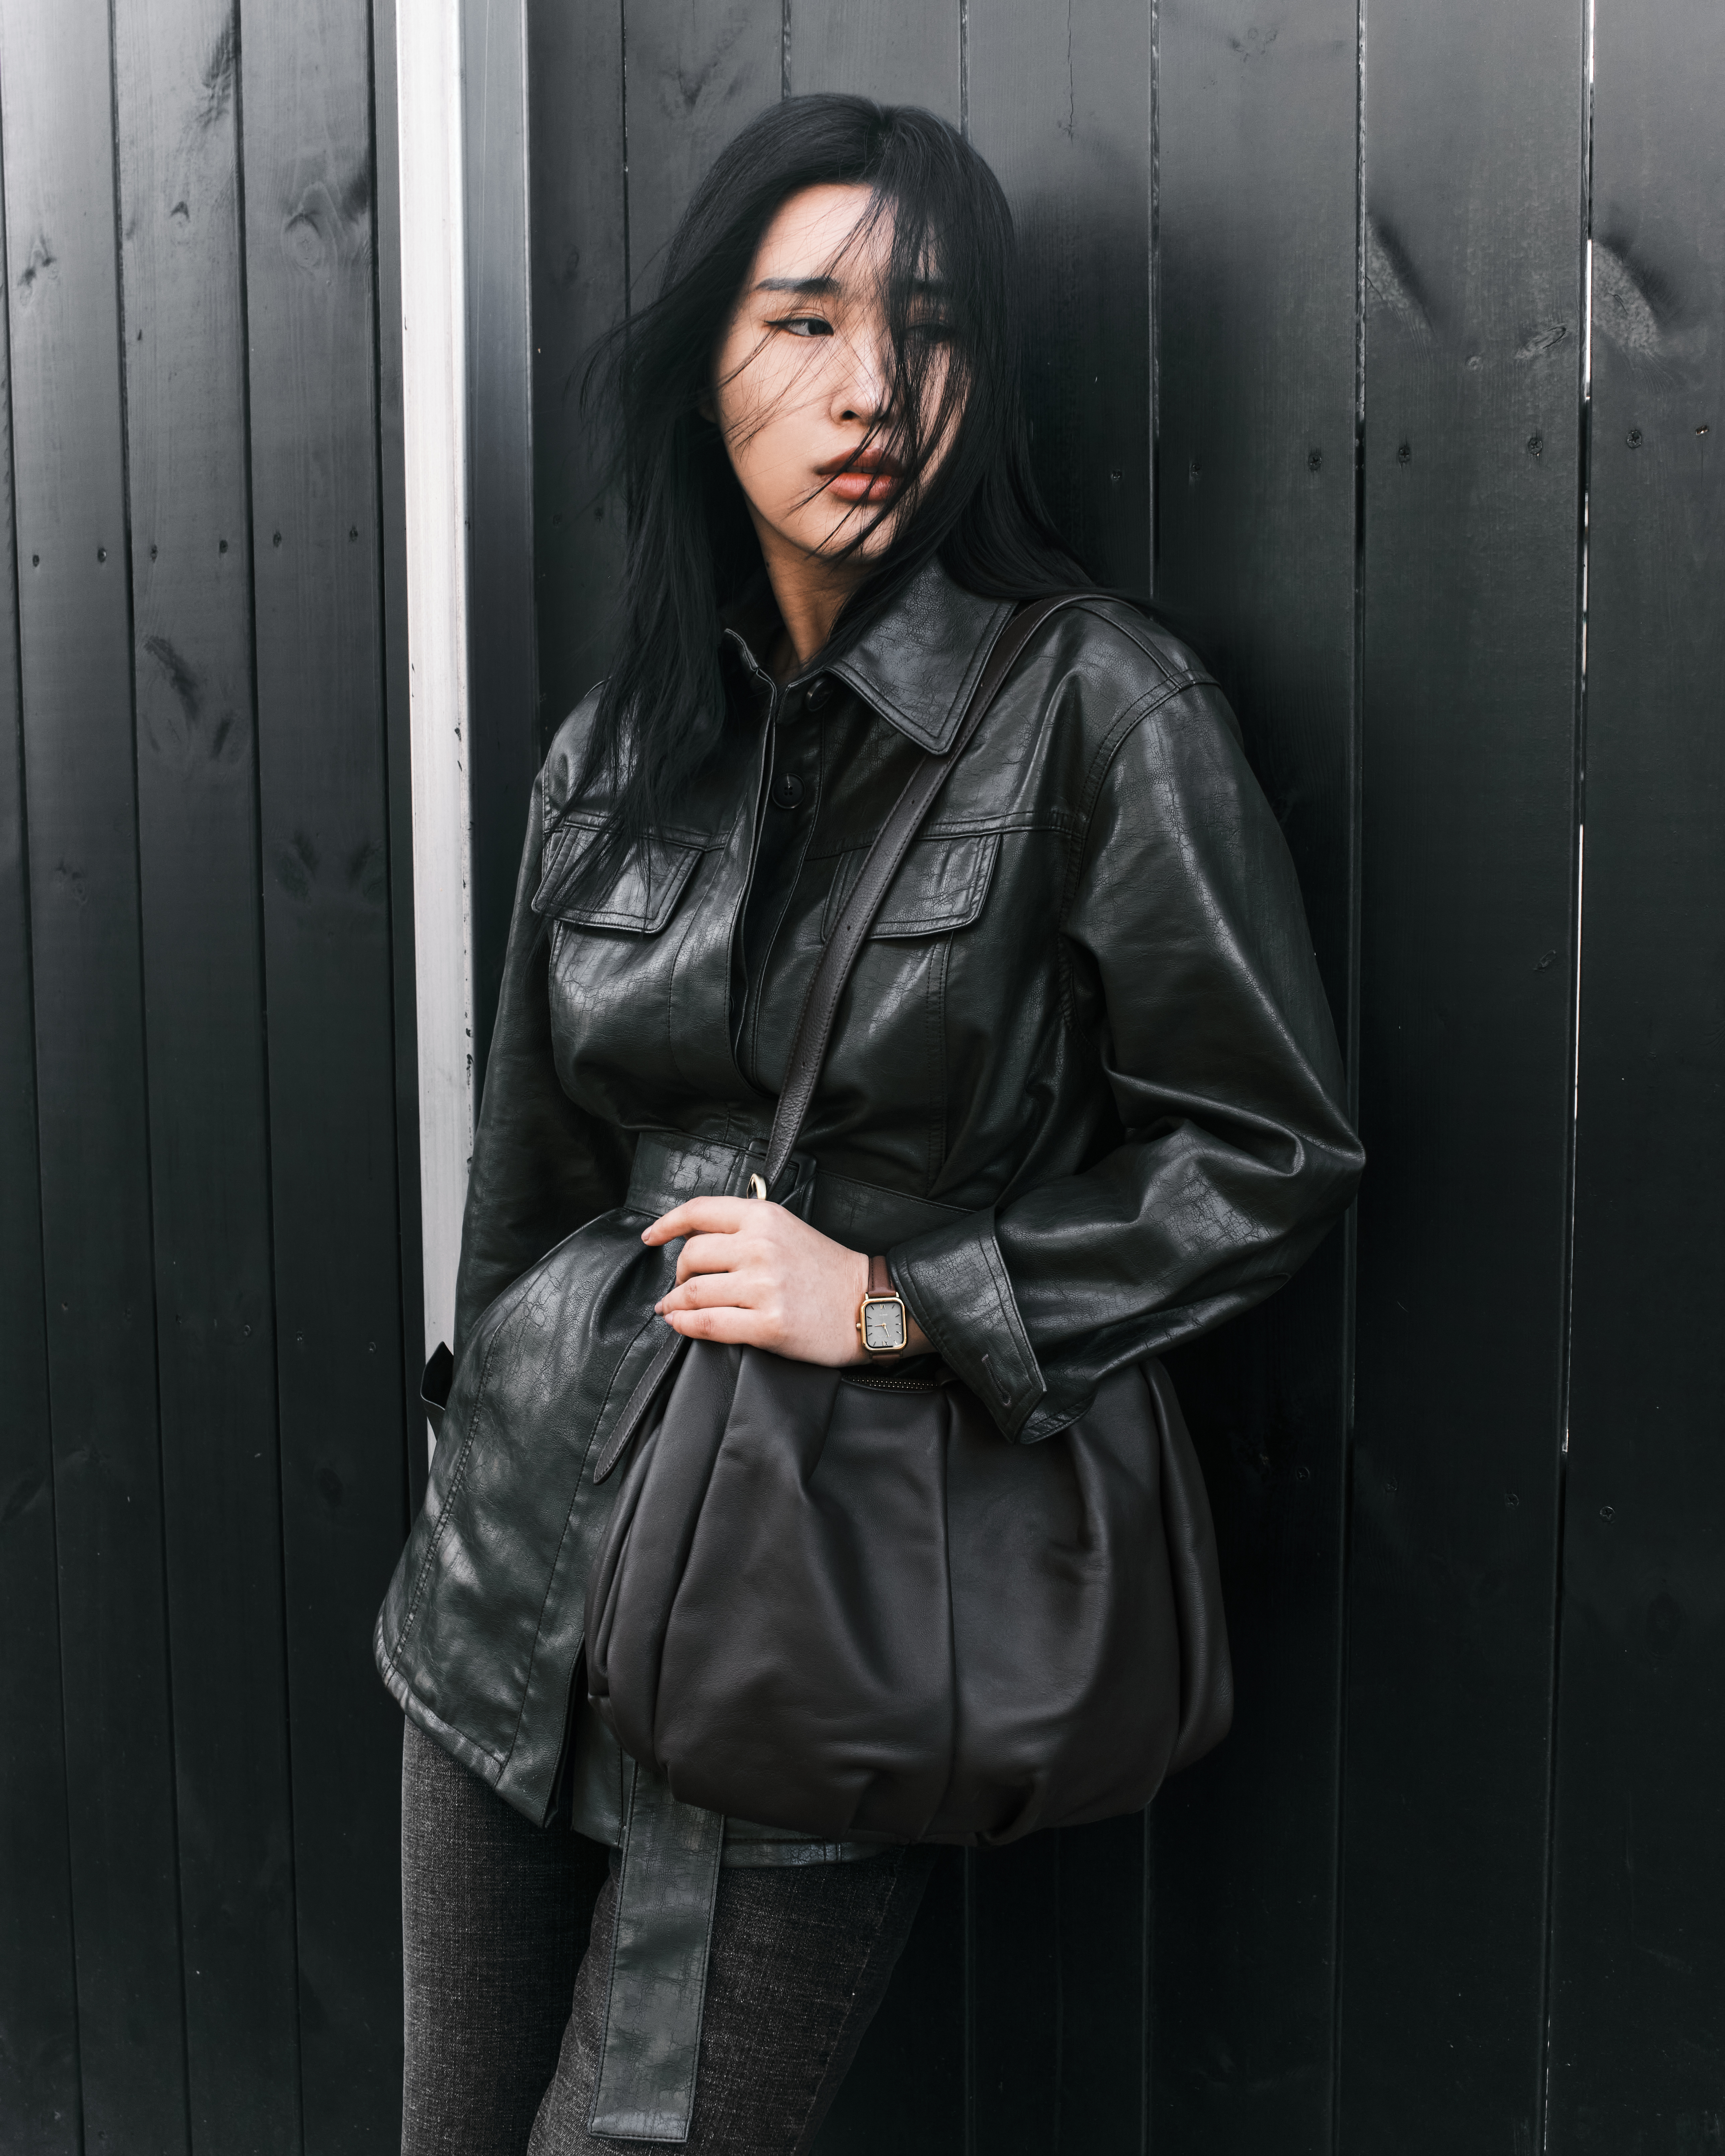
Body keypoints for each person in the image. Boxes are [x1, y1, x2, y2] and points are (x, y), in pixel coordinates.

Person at [378, 92, 1362, 2156]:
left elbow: (1267, 1149)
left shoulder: (1101, 710)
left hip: (806, 1604)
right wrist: (475, 1456)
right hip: (510, 1578)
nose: (872, 389)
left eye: (927, 328)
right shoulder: (618, 745)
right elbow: (533, 1170)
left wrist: (907, 1300)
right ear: (705, 367)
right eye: (804, 319)